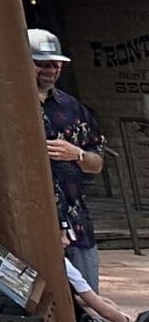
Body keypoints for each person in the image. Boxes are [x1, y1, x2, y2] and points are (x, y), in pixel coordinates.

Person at [35, 27, 108, 288]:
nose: (51, 70)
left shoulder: (72, 107)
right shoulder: (10, 106)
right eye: (42, 64)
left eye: (56, 64)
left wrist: (75, 153)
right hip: (35, 222)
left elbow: (97, 162)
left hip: (76, 219)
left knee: (90, 298)